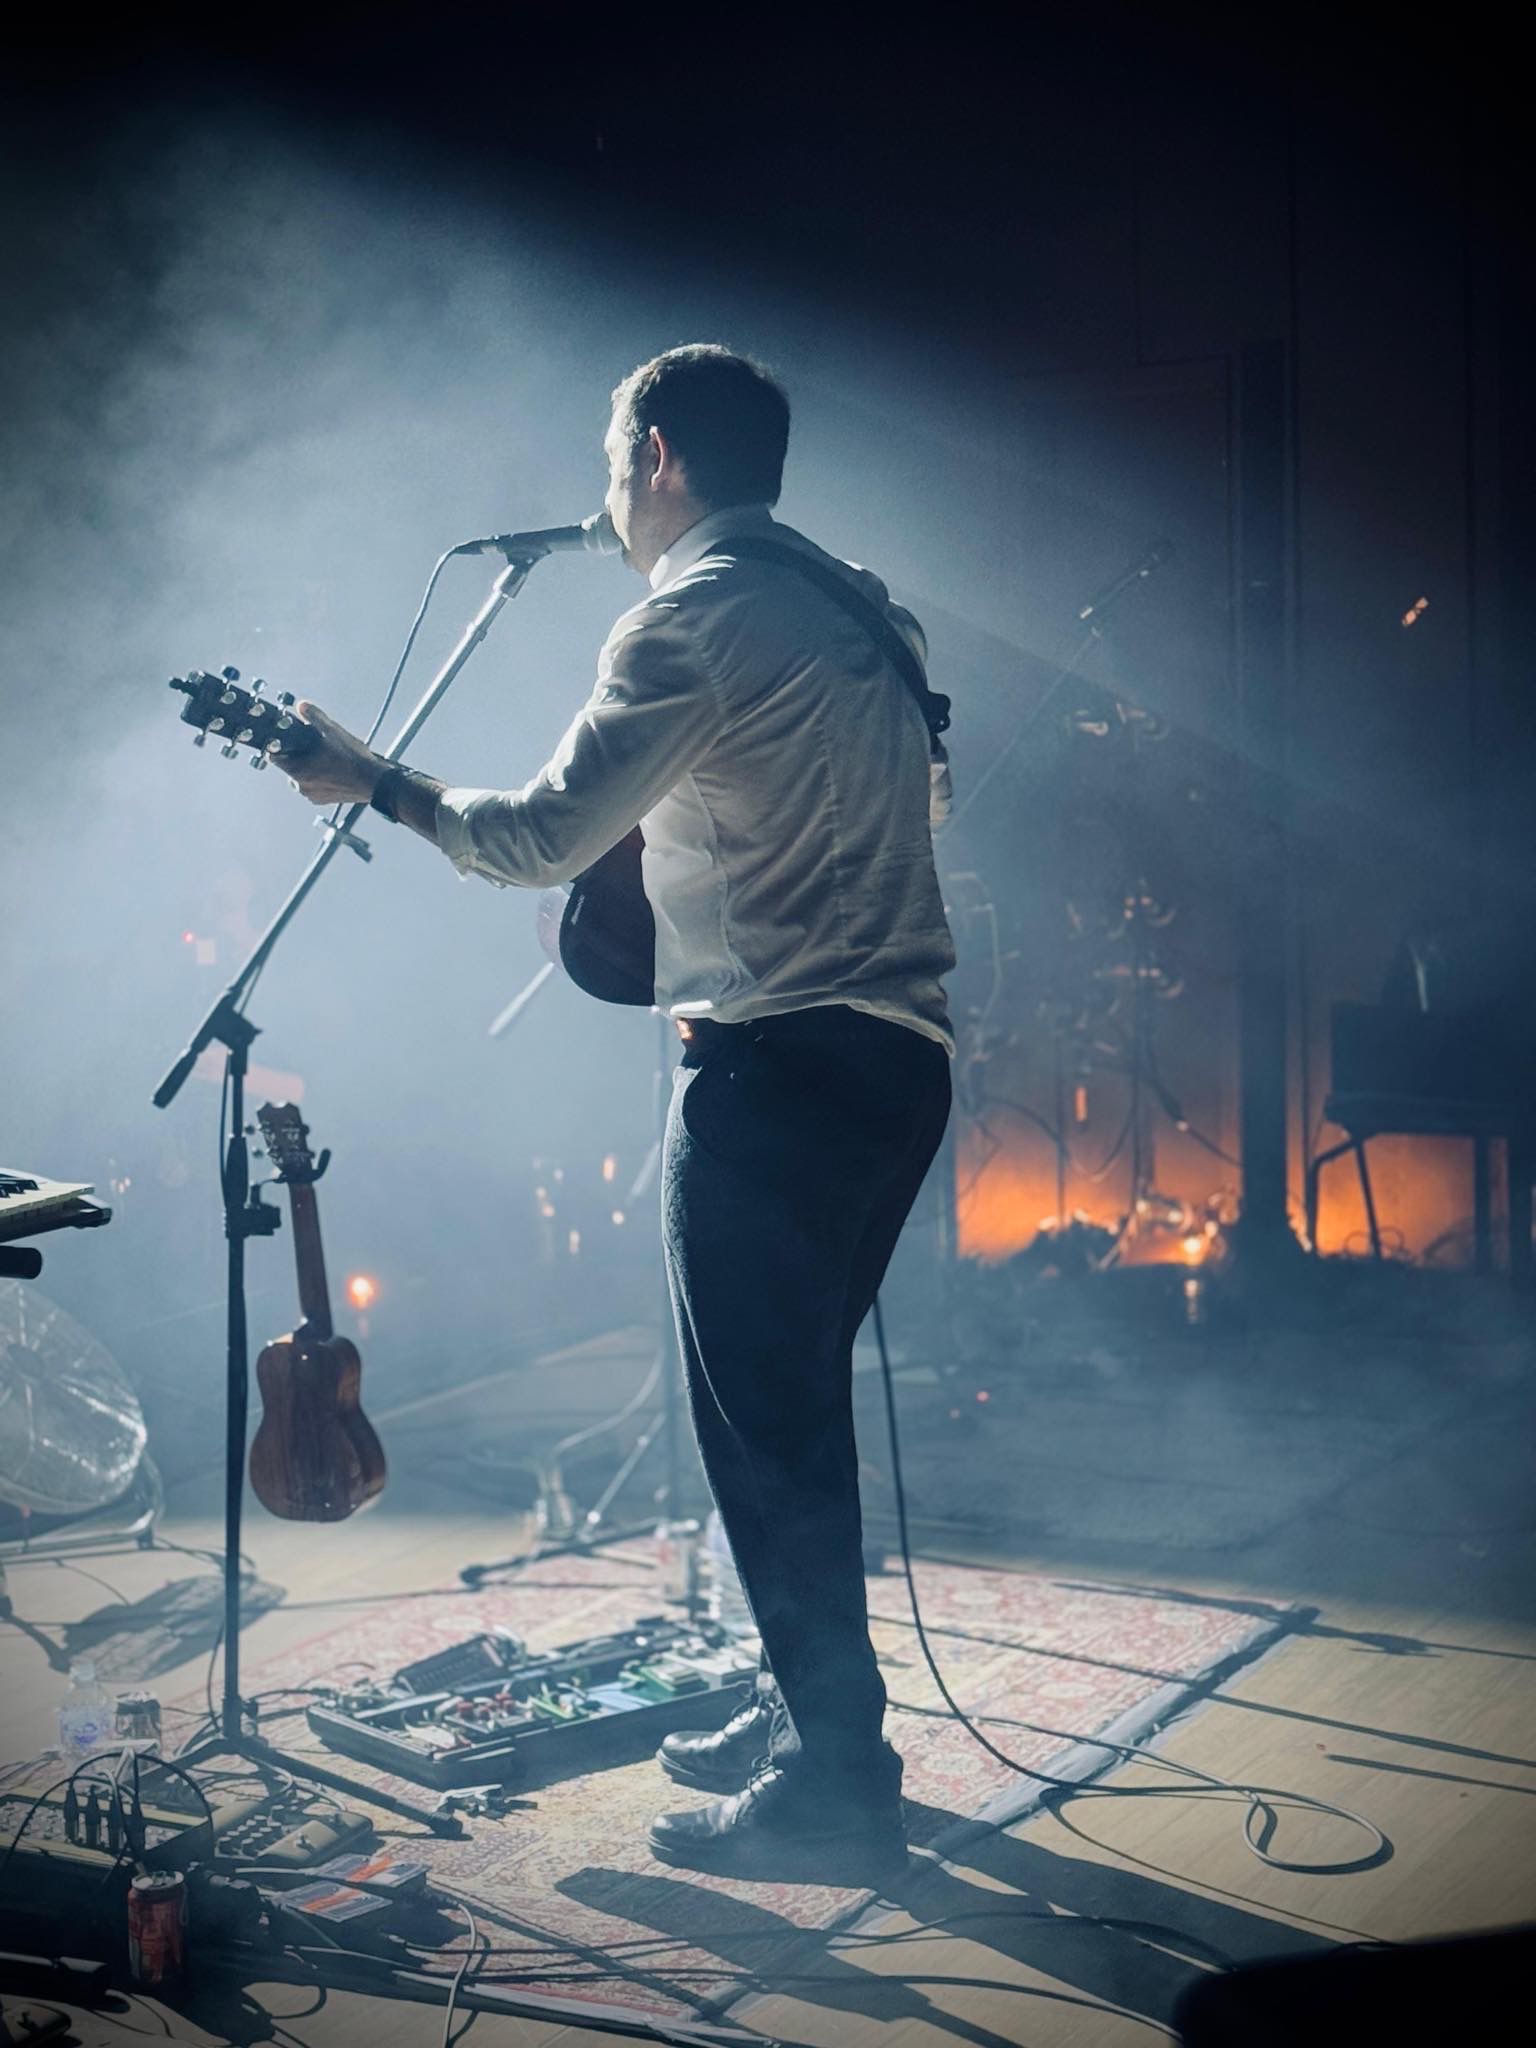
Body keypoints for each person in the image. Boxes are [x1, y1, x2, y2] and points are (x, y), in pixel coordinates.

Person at [283, 343, 956, 1876]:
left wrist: (370, 781)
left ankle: (838, 1785)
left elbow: (529, 837)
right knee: (789, 1411)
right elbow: (908, 813)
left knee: (765, 1430)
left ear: (658, 455)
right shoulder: (872, 604)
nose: (606, 496)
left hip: (772, 1069)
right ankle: (810, 1720)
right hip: (897, 1056)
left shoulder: (691, 617)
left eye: (612, 464)